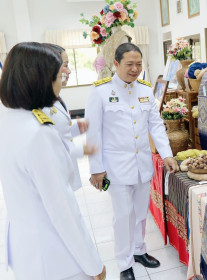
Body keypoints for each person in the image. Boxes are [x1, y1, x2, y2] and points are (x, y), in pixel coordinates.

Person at [0, 42, 106, 280]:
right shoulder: (39, 133)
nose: (63, 79)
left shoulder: (9, 120)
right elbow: (63, 210)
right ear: (40, 79)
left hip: (27, 250)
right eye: (59, 74)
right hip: (57, 258)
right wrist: (94, 265)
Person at [85, 43, 179, 280]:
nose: (135, 69)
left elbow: (155, 125)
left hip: (142, 165)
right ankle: (124, 262)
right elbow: (92, 133)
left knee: (139, 212)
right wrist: (97, 169)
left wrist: (166, 153)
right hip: (116, 168)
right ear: (116, 64)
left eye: (138, 64)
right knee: (123, 216)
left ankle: (139, 250)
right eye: (129, 64)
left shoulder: (146, 90)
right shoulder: (100, 92)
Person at [41, 43, 97, 191]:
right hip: (54, 179)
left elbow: (60, 130)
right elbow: (50, 145)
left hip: (66, 174)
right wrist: (86, 149)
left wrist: (76, 128)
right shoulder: (40, 104)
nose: (69, 71)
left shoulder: (57, 97)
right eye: (65, 65)